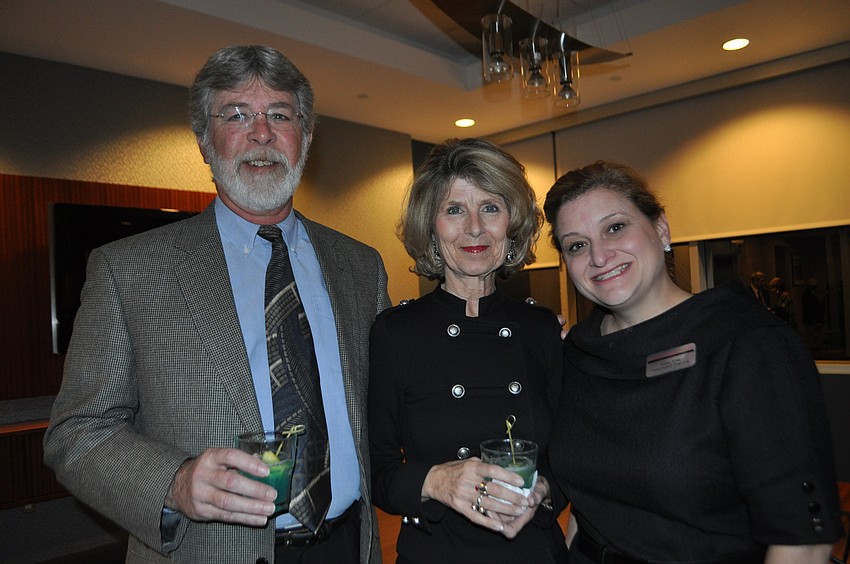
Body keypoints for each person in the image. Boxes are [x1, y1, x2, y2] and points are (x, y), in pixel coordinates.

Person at [43, 45, 391, 564]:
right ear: (204, 142)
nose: (261, 133)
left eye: (280, 115)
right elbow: (76, 433)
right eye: (236, 115)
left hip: (348, 545)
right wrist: (176, 482)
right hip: (208, 552)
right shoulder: (128, 270)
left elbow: (392, 398)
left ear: (306, 139)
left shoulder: (360, 265)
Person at [542, 160, 842, 563]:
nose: (599, 255)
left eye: (615, 227)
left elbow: (804, 543)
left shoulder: (749, 347)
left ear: (661, 229)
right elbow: (589, 505)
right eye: (576, 245)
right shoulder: (580, 354)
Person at [368, 138, 568, 564]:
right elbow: (377, 472)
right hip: (438, 552)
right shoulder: (396, 333)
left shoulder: (542, 329)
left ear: (511, 226)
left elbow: (569, 460)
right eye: (455, 209)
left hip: (532, 552)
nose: (474, 227)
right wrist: (437, 481)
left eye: (490, 208)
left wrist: (543, 492)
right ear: (431, 226)